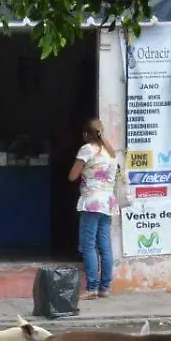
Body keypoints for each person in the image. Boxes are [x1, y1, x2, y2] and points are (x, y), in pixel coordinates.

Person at [67, 118, 120, 299]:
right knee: (104, 246)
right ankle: (104, 287)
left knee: (88, 245)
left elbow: (72, 176)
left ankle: (92, 288)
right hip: (107, 203)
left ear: (86, 134)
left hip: (91, 202)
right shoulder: (111, 152)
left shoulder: (87, 149)